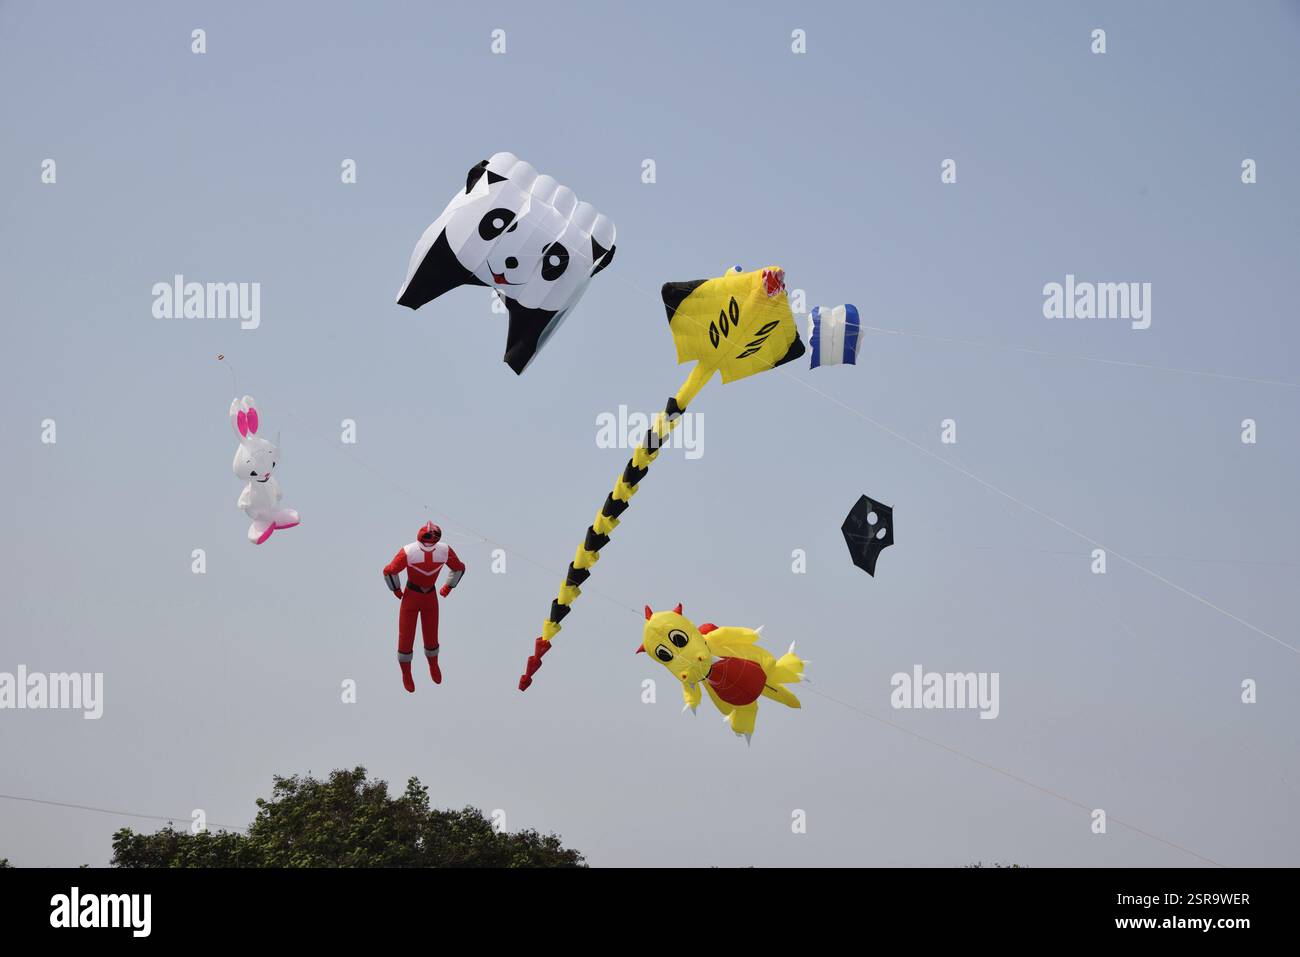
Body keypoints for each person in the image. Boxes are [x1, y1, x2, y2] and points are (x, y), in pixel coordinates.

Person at [382, 522, 465, 692]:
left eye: (432, 539)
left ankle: (433, 665)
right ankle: (407, 673)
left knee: (431, 634)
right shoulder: (410, 551)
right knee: (406, 636)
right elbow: (389, 570)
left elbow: (459, 568)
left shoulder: (442, 550)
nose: (429, 543)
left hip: (427, 597)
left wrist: (449, 586)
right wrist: (396, 589)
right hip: (412, 596)